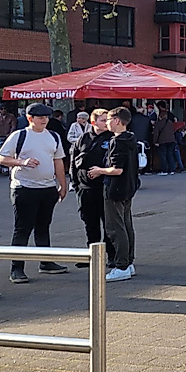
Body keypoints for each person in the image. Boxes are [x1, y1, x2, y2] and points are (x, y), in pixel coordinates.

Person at [0, 103, 68, 284]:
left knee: (43, 226)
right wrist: (22, 162)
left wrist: (63, 184)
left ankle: (46, 261)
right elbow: (2, 158)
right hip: (24, 188)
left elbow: (58, 161)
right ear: (30, 118)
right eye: (40, 117)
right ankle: (17, 268)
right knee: (22, 228)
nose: (44, 120)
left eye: (46, 117)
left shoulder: (53, 136)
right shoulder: (19, 136)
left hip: (48, 188)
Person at [89, 107, 139, 282]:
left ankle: (122, 265)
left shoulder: (118, 141)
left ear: (117, 121)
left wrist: (99, 170)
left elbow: (117, 169)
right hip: (128, 187)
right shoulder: (131, 138)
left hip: (115, 188)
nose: (107, 123)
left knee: (115, 227)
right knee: (126, 225)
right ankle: (129, 262)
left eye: (109, 120)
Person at [70, 109, 114, 269]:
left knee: (109, 224)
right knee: (90, 224)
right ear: (94, 122)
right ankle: (92, 255)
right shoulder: (83, 138)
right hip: (85, 188)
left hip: (105, 188)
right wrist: (75, 184)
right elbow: (73, 162)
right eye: (103, 120)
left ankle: (112, 255)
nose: (106, 123)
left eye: (107, 120)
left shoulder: (112, 138)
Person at [152, 106, 178, 176]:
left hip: (162, 141)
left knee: (163, 156)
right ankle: (172, 169)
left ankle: (164, 170)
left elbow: (156, 133)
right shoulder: (170, 122)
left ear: (160, 116)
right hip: (171, 140)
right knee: (170, 155)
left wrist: (155, 142)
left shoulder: (158, 123)